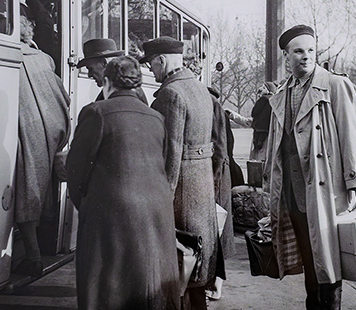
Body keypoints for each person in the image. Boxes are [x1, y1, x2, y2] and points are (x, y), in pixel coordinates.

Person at [263, 24, 356, 309]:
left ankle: (330, 305)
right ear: (287, 56)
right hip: (293, 194)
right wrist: (268, 185)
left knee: (329, 258)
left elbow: (352, 135)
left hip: (326, 189)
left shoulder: (335, 84)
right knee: (310, 258)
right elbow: (276, 145)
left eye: (311, 50)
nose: (306, 57)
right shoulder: (283, 92)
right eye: (298, 51)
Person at [66, 56, 180, 310]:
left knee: (107, 286)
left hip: (111, 212)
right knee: (146, 283)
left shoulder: (96, 112)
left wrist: (86, 204)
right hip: (156, 211)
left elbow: (75, 169)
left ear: (107, 83)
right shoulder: (155, 117)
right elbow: (163, 161)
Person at [139, 36, 218, 310]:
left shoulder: (171, 94)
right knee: (198, 259)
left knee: (181, 257)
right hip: (201, 185)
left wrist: (161, 202)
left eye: (151, 65)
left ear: (161, 60)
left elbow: (170, 154)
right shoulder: (198, 88)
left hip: (182, 188)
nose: (151, 71)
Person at [14, 15, 70, 276]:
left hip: (23, 128)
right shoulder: (44, 59)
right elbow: (61, 96)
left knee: (26, 191)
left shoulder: (13, 57)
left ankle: (33, 256)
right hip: (49, 130)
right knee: (36, 190)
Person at [206, 87, 235, 300]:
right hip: (219, 174)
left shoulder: (212, 106)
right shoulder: (217, 106)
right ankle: (215, 283)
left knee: (217, 227)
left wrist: (213, 179)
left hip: (215, 175)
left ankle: (215, 284)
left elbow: (220, 148)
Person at [77, 38, 148, 104]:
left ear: (104, 63)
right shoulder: (130, 91)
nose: (89, 75)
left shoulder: (123, 94)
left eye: (90, 69)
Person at [226, 82, 276, 161]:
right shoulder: (260, 121)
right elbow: (248, 122)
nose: (260, 90)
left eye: (263, 88)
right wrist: (232, 115)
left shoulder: (271, 118)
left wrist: (232, 115)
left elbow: (248, 122)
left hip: (265, 148)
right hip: (260, 146)